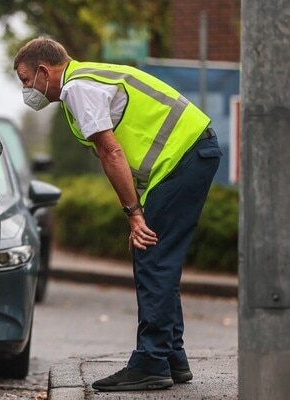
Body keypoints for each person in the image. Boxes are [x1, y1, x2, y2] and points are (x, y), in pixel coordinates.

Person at [13, 37, 222, 392]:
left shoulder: (79, 88)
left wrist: (134, 214)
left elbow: (111, 152)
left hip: (183, 158)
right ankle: (171, 357)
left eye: (25, 78)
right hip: (189, 156)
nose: (26, 89)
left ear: (44, 71)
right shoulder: (87, 80)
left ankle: (151, 362)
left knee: (153, 253)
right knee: (157, 254)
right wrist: (139, 209)